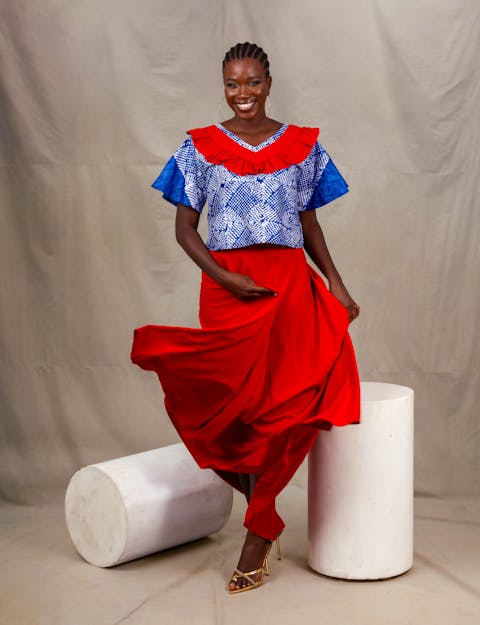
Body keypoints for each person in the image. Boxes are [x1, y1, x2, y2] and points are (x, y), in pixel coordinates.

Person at [130, 41, 361, 594]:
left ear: (269, 82)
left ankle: (258, 532)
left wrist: (336, 279)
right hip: (227, 288)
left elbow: (308, 224)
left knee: (284, 408)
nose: (242, 94)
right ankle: (265, 510)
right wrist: (226, 278)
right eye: (232, 84)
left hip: (285, 286)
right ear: (223, 86)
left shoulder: (302, 146)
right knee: (233, 410)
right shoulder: (200, 147)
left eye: (252, 82)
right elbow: (185, 229)